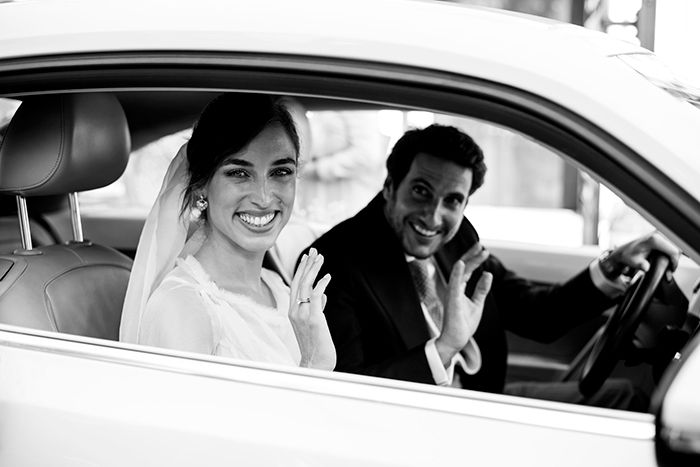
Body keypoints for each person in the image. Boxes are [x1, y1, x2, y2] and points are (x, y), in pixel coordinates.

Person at [304, 124, 684, 409]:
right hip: (426, 429)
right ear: (390, 186)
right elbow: (348, 394)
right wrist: (445, 347)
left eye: (452, 200)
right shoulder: (336, 261)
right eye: (421, 191)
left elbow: (538, 314)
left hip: (482, 400)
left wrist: (613, 263)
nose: (433, 216)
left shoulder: (457, 237)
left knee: (628, 399)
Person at [119, 93, 335, 370]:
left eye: (280, 172)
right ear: (200, 186)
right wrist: (315, 363)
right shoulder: (182, 307)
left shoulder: (277, 287)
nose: (264, 197)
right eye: (239, 173)